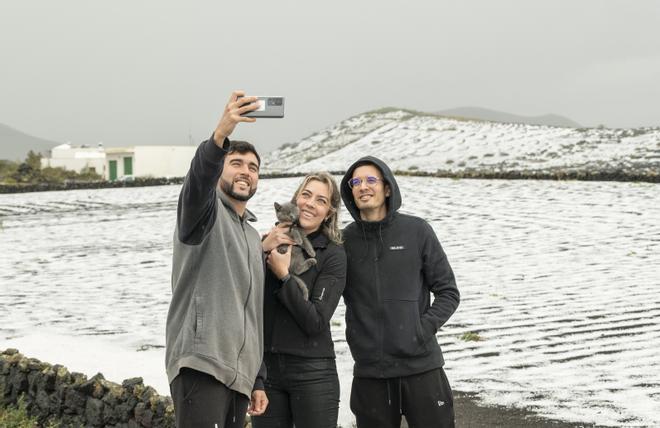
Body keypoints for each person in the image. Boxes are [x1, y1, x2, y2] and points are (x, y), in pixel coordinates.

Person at [165, 91, 269, 428]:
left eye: (253, 167)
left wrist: (257, 379)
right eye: (236, 163)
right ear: (219, 168)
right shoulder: (203, 213)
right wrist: (220, 135)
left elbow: (252, 313)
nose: (245, 172)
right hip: (201, 364)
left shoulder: (254, 237)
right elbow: (198, 181)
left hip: (239, 379)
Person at [340, 156, 460, 428]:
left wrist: (420, 330)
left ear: (387, 188)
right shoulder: (344, 241)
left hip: (422, 367)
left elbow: (448, 292)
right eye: (356, 182)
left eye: (371, 180)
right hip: (371, 373)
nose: (363, 187)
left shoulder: (417, 231)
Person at [252, 172, 347, 428]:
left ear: (328, 212)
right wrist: (259, 251)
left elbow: (315, 321)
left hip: (313, 372)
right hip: (266, 372)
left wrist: (283, 276)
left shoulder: (333, 255)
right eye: (306, 195)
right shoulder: (265, 242)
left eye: (321, 200)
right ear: (296, 199)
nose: (310, 203)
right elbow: (242, 299)